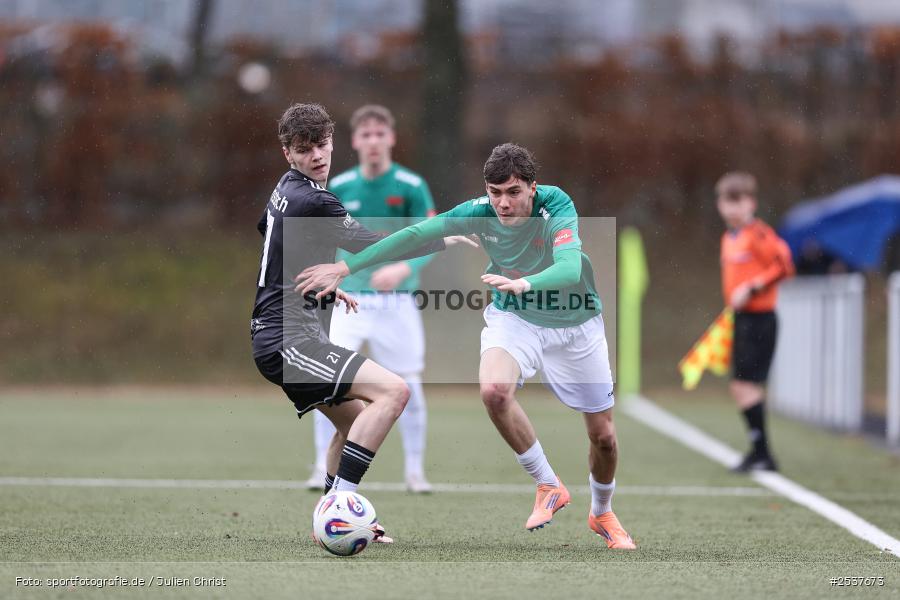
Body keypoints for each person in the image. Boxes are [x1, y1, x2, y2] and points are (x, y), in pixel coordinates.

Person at [295, 143, 636, 549]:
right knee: (494, 392)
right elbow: (414, 234)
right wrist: (346, 266)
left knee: (603, 436)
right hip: (516, 318)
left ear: (532, 187)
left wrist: (525, 282)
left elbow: (568, 267)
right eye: (495, 193)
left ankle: (602, 512)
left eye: (513, 192)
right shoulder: (478, 211)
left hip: (575, 322)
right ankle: (548, 484)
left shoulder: (556, 205)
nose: (503, 203)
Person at [250, 103, 471, 542]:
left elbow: (270, 234)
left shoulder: (286, 189)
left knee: (354, 423)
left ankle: (329, 517)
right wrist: (442, 238)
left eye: (322, 144)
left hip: (282, 334)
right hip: (287, 341)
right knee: (395, 391)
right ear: (287, 153)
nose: (317, 155)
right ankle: (341, 507)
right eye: (304, 149)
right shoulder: (315, 199)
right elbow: (375, 247)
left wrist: (320, 286)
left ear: (333, 141)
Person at [305, 105, 435, 494]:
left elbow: (429, 237)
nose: (374, 141)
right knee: (326, 379)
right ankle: (320, 465)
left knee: (409, 382)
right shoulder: (341, 186)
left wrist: (404, 269)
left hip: (397, 301)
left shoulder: (411, 185)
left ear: (391, 138)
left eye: (380, 134)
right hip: (349, 301)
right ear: (356, 141)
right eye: (366, 134)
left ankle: (415, 470)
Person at [715, 171, 795, 472]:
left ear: (751, 203)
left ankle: (762, 453)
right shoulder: (729, 238)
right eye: (728, 201)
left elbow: (784, 266)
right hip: (742, 319)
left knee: (745, 385)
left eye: (739, 201)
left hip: (760, 319)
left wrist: (753, 286)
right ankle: (760, 451)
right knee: (742, 386)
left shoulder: (758, 234)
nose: (733, 208)